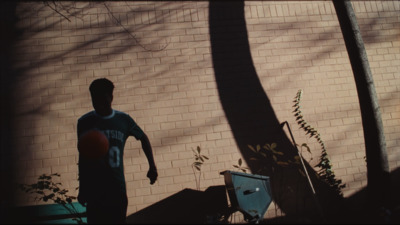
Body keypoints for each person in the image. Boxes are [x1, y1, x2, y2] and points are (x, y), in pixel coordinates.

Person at [77, 78, 158, 224]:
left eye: (103, 99)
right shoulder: (84, 122)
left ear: (111, 97)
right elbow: (83, 158)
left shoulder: (123, 120)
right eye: (95, 100)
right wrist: (83, 189)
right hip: (95, 190)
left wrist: (152, 165)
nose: (100, 104)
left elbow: (143, 138)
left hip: (116, 188)